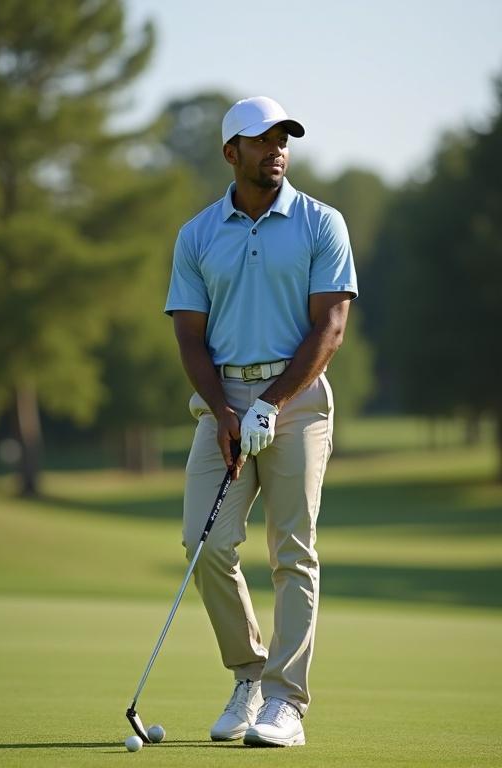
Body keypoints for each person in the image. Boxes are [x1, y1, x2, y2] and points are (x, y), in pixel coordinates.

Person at [165, 95, 358, 748]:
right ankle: (249, 675)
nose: (277, 147)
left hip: (297, 400)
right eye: (262, 138)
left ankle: (286, 703)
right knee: (205, 543)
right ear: (231, 153)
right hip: (222, 400)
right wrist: (225, 410)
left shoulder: (320, 222)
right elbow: (191, 338)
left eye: (284, 137)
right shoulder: (197, 235)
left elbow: (329, 327)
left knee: (292, 552)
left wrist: (272, 403)